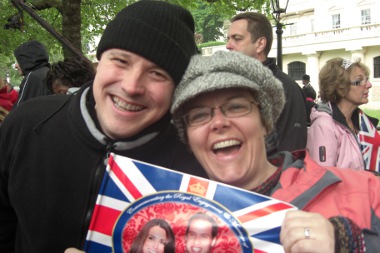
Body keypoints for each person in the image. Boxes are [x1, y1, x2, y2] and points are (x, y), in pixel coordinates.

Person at [0, 1, 206, 252]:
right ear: (98, 64)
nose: (131, 86)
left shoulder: (193, 165)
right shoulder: (27, 123)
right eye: (120, 61)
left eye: (157, 74)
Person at [171, 50, 380, 252]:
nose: (218, 122)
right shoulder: (169, 219)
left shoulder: (365, 191)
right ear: (188, 139)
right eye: (198, 115)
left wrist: (352, 245)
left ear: (266, 123)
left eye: (236, 106)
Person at [226, 12, 307, 156]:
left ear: (260, 44)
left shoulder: (287, 88)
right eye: (228, 39)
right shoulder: (229, 85)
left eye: (237, 39)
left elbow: (291, 152)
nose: (228, 46)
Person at [307, 57, 379, 171]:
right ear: (340, 87)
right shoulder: (324, 127)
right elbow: (324, 179)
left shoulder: (362, 122)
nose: (369, 84)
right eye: (359, 81)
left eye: (367, 79)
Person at [13, 40, 51, 107]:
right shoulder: (50, 73)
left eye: (19, 61)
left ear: (27, 60)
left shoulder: (32, 77)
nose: (16, 66)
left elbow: (19, 109)